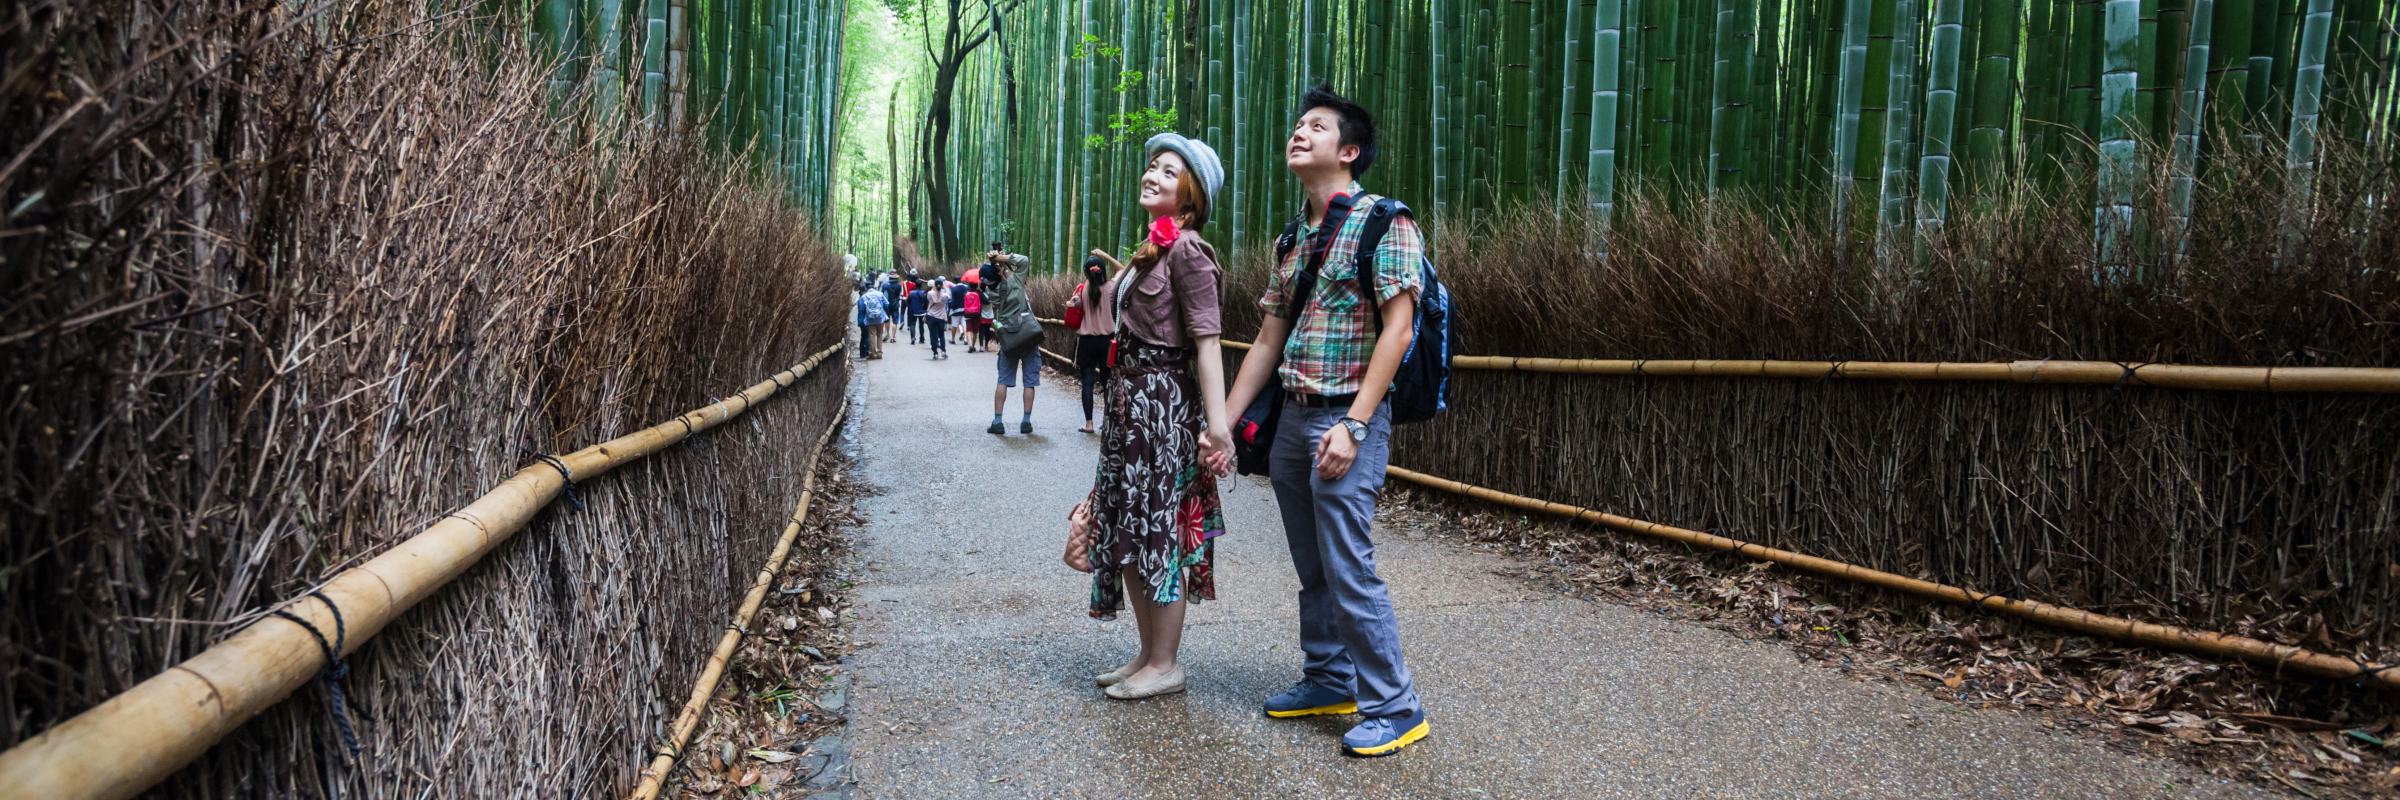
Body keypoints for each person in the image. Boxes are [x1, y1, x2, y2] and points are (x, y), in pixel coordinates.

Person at [1222, 85, 1428, 757]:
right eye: (1298, 123)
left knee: (1348, 565)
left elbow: (1399, 330)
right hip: (1292, 419)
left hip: (1345, 419)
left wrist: (1358, 425)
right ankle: (1329, 676)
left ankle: (1395, 706)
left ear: (1349, 150)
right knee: (1313, 565)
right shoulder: (1294, 235)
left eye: (1316, 126)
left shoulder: (1384, 222)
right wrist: (1224, 421)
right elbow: (1267, 339)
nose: (1299, 133)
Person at [1082, 132, 1232, 701]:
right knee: (1128, 528)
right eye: (1152, 166)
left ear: (1191, 193)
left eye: (1170, 172)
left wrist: (1216, 428)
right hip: (1130, 407)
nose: (1153, 175)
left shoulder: (1189, 251)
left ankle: (1166, 662)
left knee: (1158, 532)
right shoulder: (1153, 249)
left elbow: (1208, 342)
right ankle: (1147, 654)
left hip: (1162, 411)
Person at [985, 250, 1040, 434]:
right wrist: (999, 258)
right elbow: (1024, 259)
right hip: (1028, 337)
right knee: (1029, 382)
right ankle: (1026, 421)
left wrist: (998, 268)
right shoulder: (1015, 282)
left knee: (1003, 380)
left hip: (1009, 339)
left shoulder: (992, 293)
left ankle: (998, 421)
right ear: (1001, 272)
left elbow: (998, 282)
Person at [1065, 254, 1121, 434]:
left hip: (1087, 342)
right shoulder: (1112, 287)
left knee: (1087, 384)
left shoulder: (1084, 288)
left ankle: (1088, 424)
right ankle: (1107, 423)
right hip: (1107, 342)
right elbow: (1122, 269)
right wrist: (1104, 256)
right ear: (1102, 270)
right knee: (1108, 384)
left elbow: (1077, 304)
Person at [853, 283, 888, 360]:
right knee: (879, 335)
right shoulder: (880, 294)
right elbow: (886, 304)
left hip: (870, 319)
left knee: (871, 335)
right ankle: (879, 353)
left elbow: (862, 309)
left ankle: (872, 353)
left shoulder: (864, 297)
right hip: (880, 318)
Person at [923, 276, 951, 359]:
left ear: (934, 285)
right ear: (941, 285)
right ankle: (943, 351)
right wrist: (944, 288)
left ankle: (935, 353)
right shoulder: (945, 295)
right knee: (941, 335)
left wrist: (935, 288)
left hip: (931, 317)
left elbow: (929, 299)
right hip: (941, 318)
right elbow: (948, 295)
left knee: (933, 335)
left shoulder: (930, 293)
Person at [906, 278, 931, 346]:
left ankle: (913, 338)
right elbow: (926, 303)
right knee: (921, 325)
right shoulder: (924, 293)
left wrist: (910, 307)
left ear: (915, 285)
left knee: (912, 325)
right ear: (921, 285)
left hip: (913, 311)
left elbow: (907, 302)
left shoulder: (911, 293)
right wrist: (925, 310)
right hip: (922, 311)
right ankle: (922, 338)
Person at [960, 285, 984, 353]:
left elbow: (963, 304)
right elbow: (985, 302)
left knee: (969, 330)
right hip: (977, 314)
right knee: (975, 331)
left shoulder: (966, 294)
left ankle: (970, 345)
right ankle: (973, 346)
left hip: (968, 313)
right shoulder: (978, 294)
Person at [880, 272, 902, 343]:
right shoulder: (899, 286)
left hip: (886, 305)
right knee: (895, 321)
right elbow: (898, 295)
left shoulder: (885, 285)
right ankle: (893, 337)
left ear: (889, 278)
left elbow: (882, 295)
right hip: (895, 305)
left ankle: (887, 333)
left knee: (887, 320)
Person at [948, 278, 971, 345]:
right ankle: (965, 339)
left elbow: (951, 298)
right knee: (964, 325)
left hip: (955, 309)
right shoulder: (966, 287)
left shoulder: (953, 289)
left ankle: (953, 339)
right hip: (964, 309)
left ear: (954, 281)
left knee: (954, 325)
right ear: (960, 280)